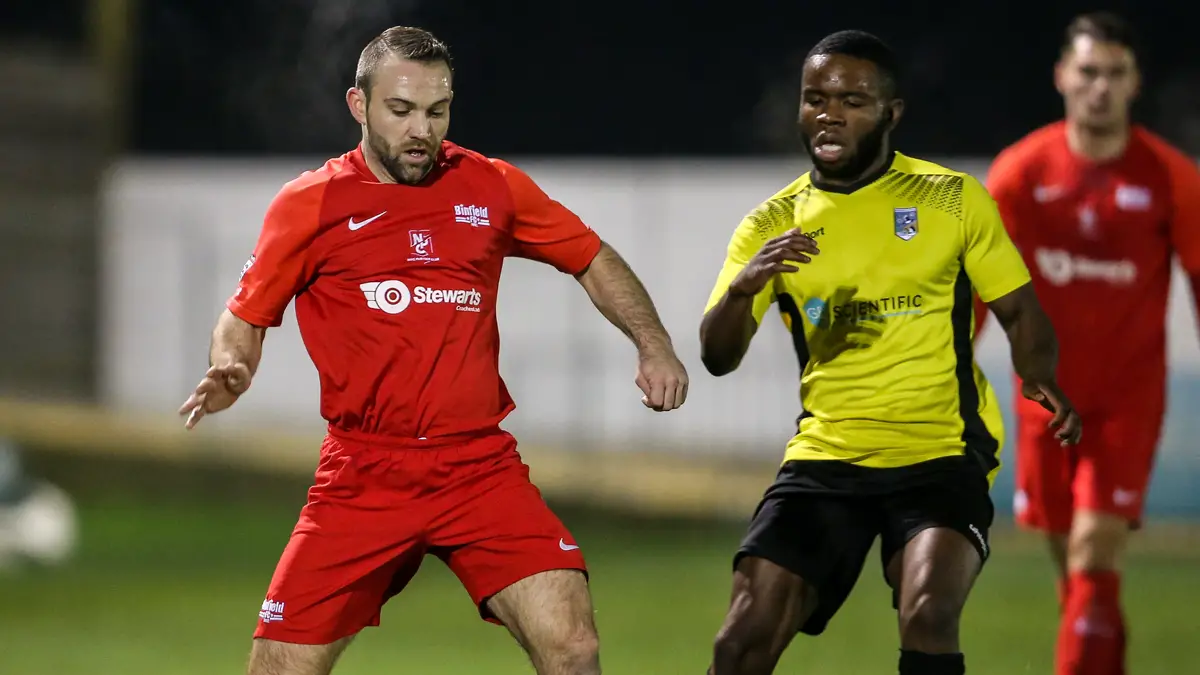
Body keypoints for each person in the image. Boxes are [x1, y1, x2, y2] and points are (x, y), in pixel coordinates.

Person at [176, 26, 689, 675]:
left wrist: (654, 344)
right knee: (277, 667)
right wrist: (233, 366)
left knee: (573, 643)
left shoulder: (491, 186)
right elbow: (243, 315)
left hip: (478, 466)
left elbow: (591, 257)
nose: (421, 129)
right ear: (359, 106)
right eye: (401, 110)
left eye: (436, 111)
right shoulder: (311, 204)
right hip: (363, 475)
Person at [699, 30, 1082, 675]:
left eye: (852, 99)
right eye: (815, 98)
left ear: (891, 114)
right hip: (827, 458)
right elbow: (717, 356)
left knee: (928, 611)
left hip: (939, 453)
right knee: (739, 642)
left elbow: (1019, 310)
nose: (829, 113)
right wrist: (741, 291)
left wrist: (1038, 375)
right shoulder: (771, 224)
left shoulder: (951, 200)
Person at [974, 12, 1200, 675]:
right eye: (1088, 71)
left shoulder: (1170, 178)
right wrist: (945, 365)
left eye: (1115, 73)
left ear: (1135, 83)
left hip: (1129, 399)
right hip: (1043, 398)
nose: (1100, 87)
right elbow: (981, 285)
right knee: (1075, 572)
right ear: (1062, 77)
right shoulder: (1020, 172)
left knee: (1093, 555)